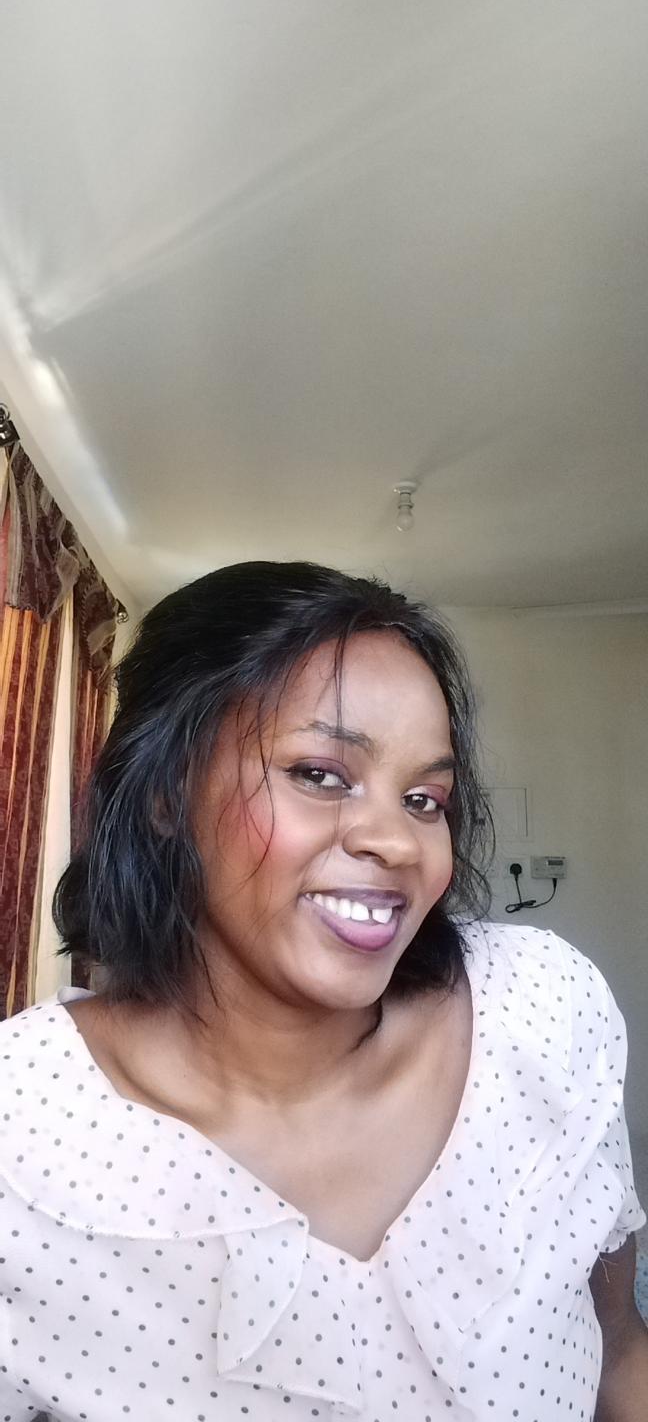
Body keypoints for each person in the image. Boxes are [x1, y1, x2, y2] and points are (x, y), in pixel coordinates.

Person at [0, 560, 646, 1422]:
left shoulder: (543, 1011)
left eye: (424, 799)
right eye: (320, 774)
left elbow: (619, 1349)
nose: (399, 842)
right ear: (162, 794)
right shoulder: (23, 1137)